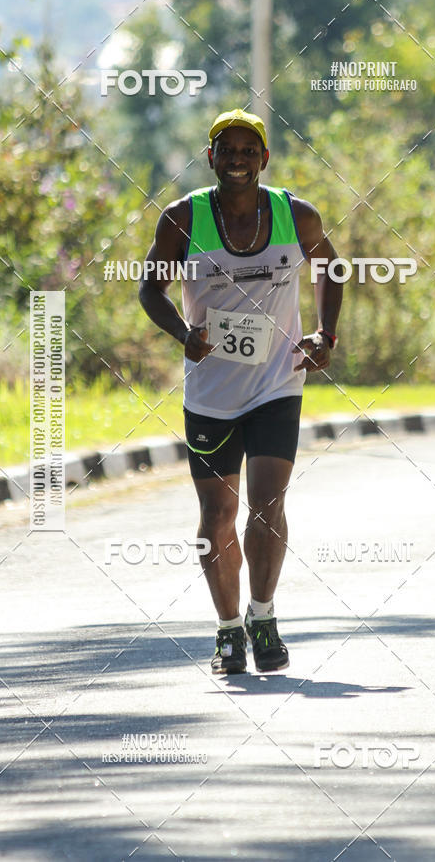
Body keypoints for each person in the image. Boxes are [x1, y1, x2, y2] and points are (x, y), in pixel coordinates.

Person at [139, 108, 342, 674]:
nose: (236, 160)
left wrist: (325, 335)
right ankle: (228, 628)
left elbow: (331, 268)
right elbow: (150, 290)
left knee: (269, 501)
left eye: (247, 151)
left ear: (265, 159)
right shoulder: (183, 218)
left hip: (278, 382)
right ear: (210, 157)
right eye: (226, 150)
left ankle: (263, 613)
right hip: (210, 391)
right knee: (217, 512)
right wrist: (184, 335)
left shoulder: (295, 215)